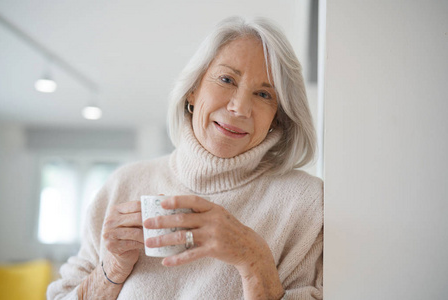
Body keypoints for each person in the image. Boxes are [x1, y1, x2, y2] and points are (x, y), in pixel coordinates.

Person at [47, 16, 323, 300]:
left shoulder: (306, 203)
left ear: (277, 117)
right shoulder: (124, 184)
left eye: (264, 94)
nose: (239, 107)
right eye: (227, 79)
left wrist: (256, 262)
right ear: (193, 90)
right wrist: (112, 270)